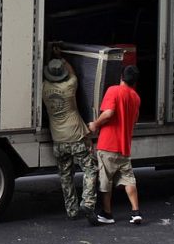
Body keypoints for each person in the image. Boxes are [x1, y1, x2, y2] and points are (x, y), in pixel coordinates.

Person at [42, 57, 98, 222]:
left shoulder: (44, 88)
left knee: (65, 175)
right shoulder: (69, 86)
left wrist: (49, 56)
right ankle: (87, 201)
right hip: (76, 136)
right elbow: (73, 72)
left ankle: (72, 210)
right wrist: (62, 58)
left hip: (58, 140)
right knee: (90, 169)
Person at [88, 65, 142, 225]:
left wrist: (95, 125)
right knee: (129, 179)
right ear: (134, 82)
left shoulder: (113, 90)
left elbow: (109, 113)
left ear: (121, 77)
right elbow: (136, 118)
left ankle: (107, 214)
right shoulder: (136, 97)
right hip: (124, 146)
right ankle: (135, 212)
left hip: (108, 145)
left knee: (106, 181)